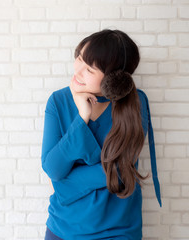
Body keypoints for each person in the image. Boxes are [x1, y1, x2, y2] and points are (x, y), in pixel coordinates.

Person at [41, 29, 162, 239]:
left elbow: (121, 172)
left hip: (118, 230)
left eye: (89, 69)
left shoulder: (135, 104)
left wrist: (64, 184)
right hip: (63, 228)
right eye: (79, 59)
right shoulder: (58, 101)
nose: (77, 71)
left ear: (113, 80)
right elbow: (52, 167)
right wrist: (82, 117)